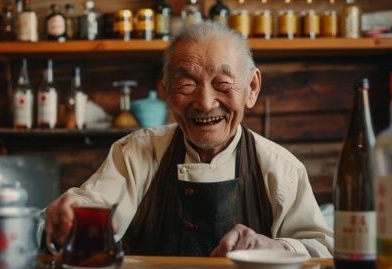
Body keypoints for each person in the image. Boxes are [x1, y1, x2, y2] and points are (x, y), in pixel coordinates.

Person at [45, 22, 333, 257]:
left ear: (252, 88)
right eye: (187, 84)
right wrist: (74, 218)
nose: (205, 103)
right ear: (167, 91)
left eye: (222, 83)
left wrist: (277, 247)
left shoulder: (280, 168)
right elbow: (93, 206)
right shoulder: (135, 153)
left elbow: (323, 249)